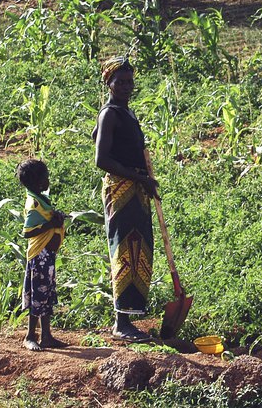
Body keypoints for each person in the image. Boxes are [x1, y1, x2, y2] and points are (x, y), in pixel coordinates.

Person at [93, 56, 159, 342]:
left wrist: (146, 179)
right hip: (121, 190)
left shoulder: (127, 113)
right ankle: (121, 323)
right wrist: (140, 178)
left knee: (139, 251)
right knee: (124, 251)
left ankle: (130, 317)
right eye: (120, 82)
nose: (126, 86)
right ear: (108, 83)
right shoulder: (109, 113)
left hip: (137, 189)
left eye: (130, 81)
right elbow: (101, 159)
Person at [19, 158, 67, 351]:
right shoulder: (33, 204)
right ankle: (30, 336)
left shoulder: (39, 200)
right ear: (39, 181)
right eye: (46, 176)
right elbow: (27, 232)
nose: (49, 180)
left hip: (46, 255)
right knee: (37, 296)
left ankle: (46, 335)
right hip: (39, 255)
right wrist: (51, 225)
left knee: (45, 294)